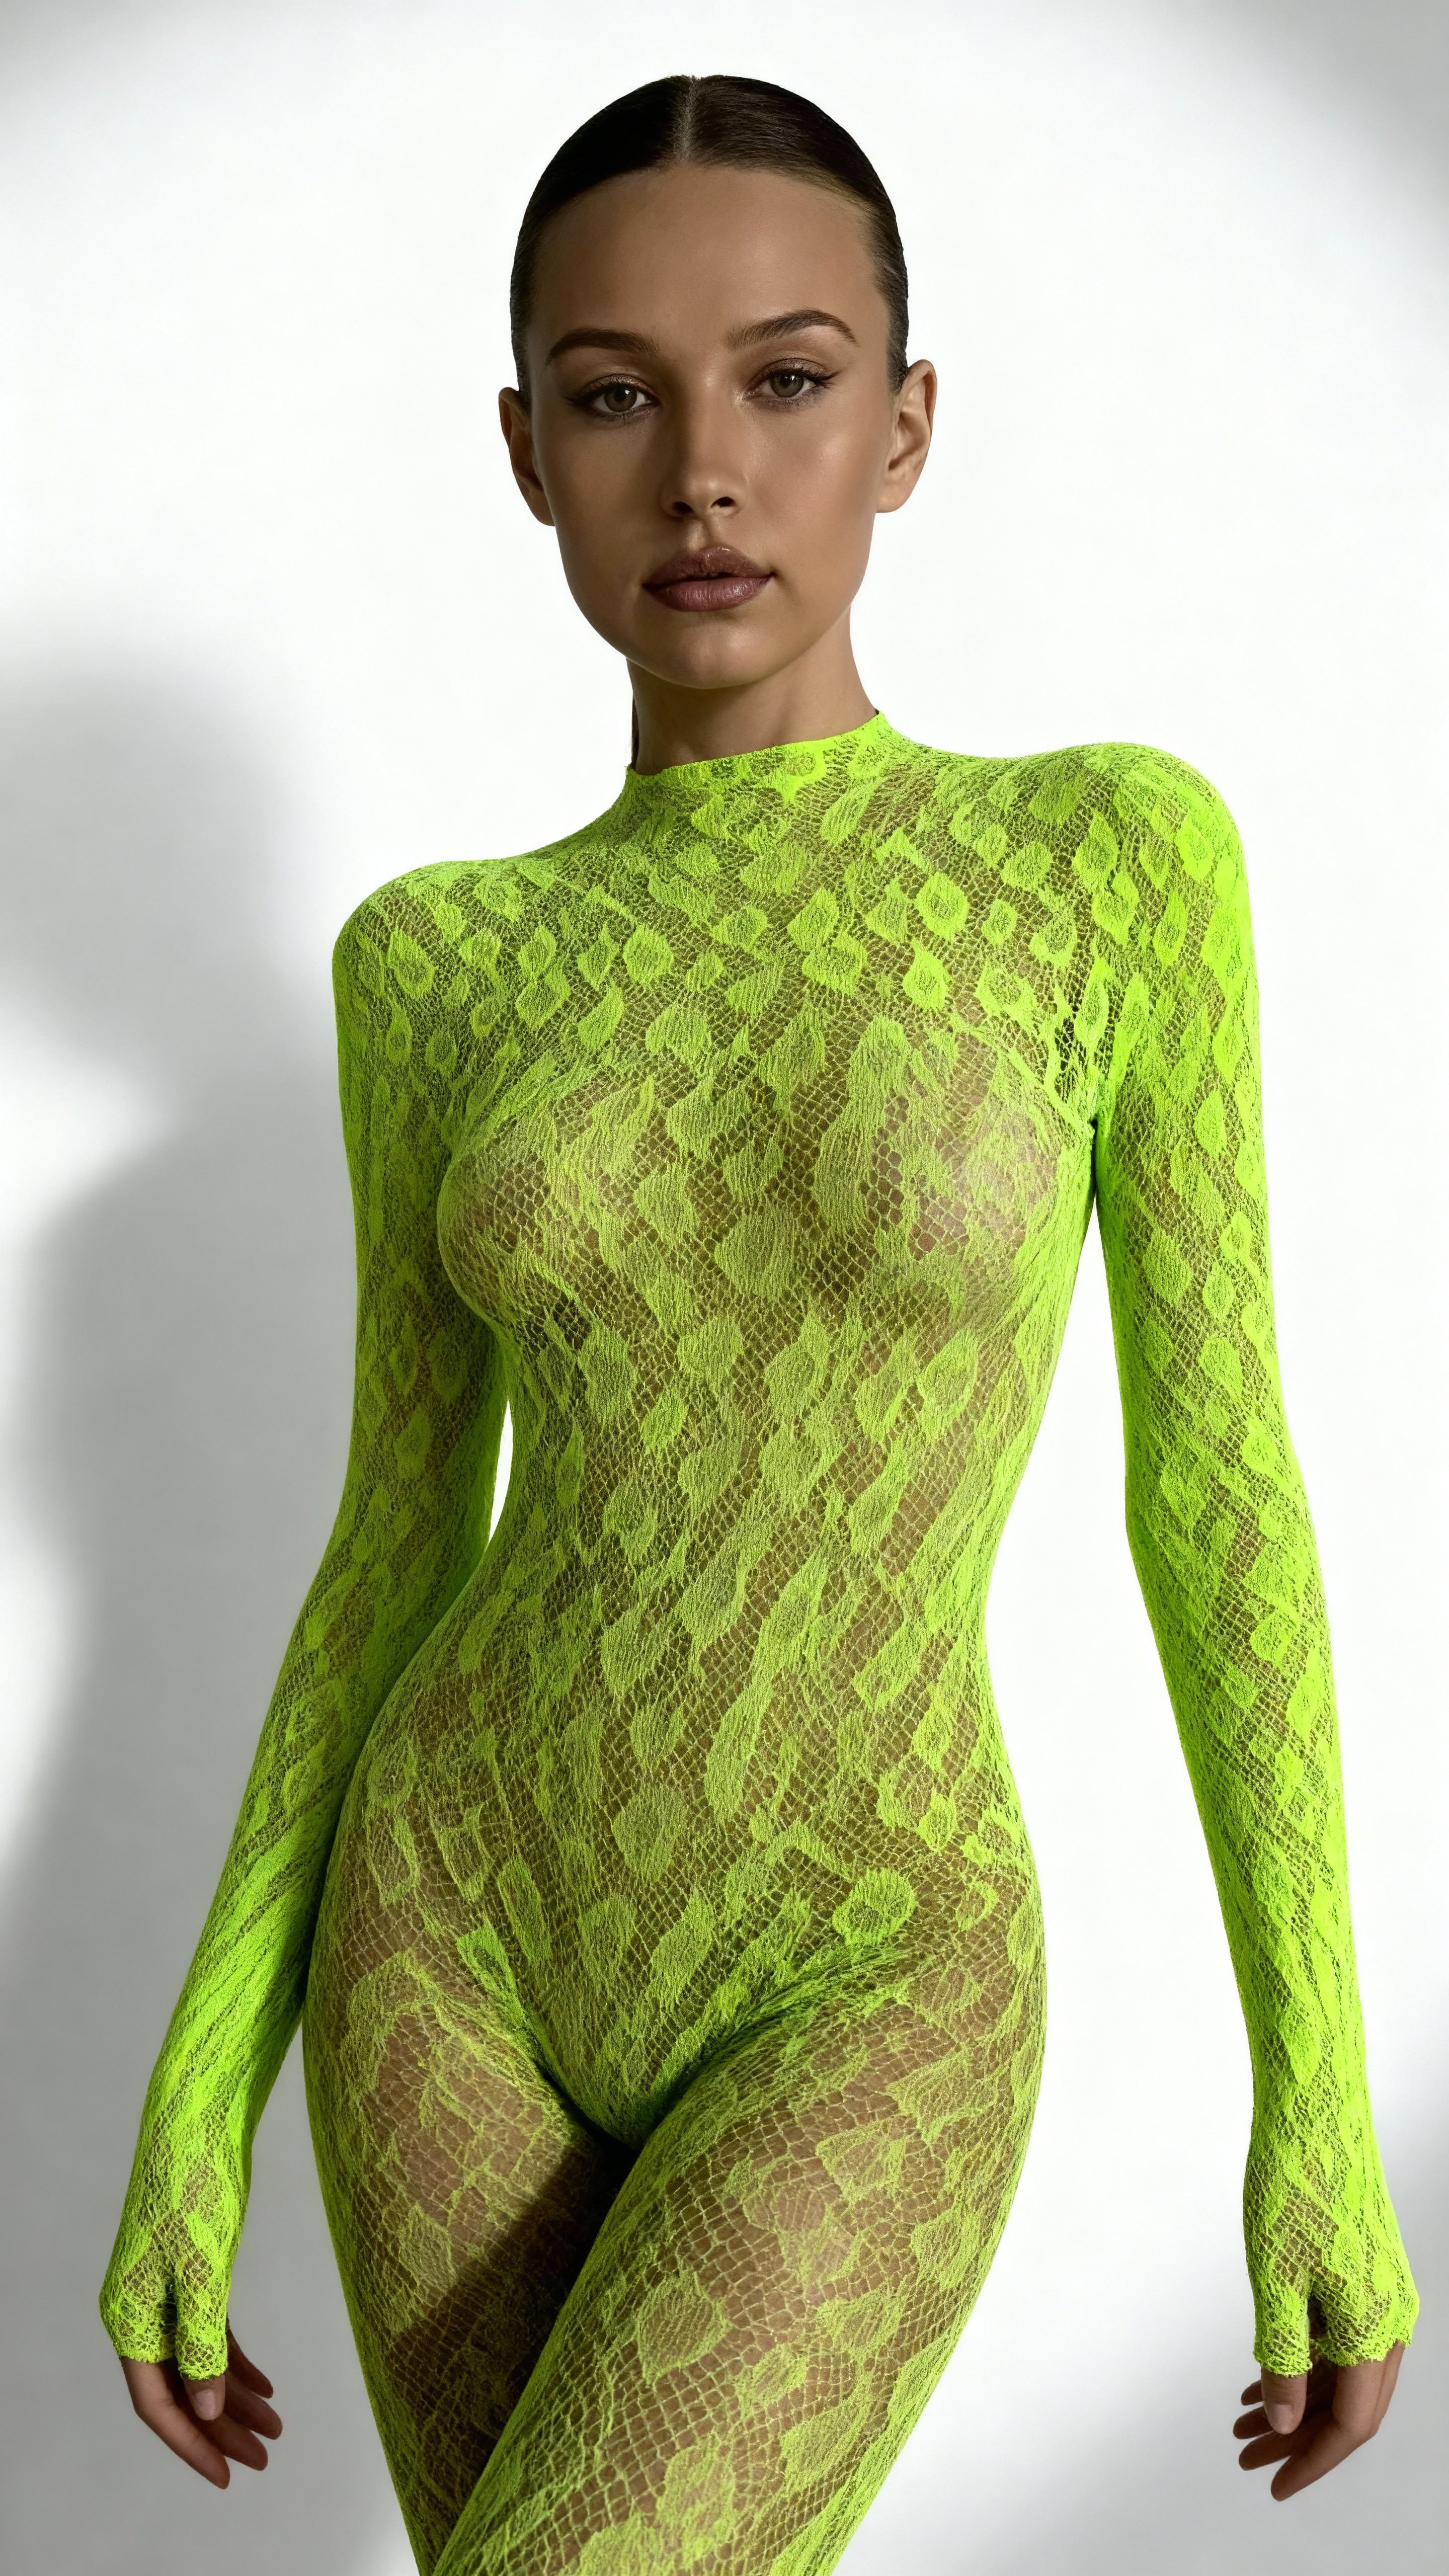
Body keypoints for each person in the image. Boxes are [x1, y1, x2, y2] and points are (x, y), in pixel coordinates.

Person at [101, 71, 1417, 2574]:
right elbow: (392, 1533)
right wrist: (196, 2080)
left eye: (787, 381)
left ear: (904, 427)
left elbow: (1218, 1487)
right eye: (615, 394)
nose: (704, 471)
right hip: (447, 1934)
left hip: (877, 1951)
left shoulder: (1108, 859)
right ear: (526, 449)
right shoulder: (433, 963)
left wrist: (1318, 2094)